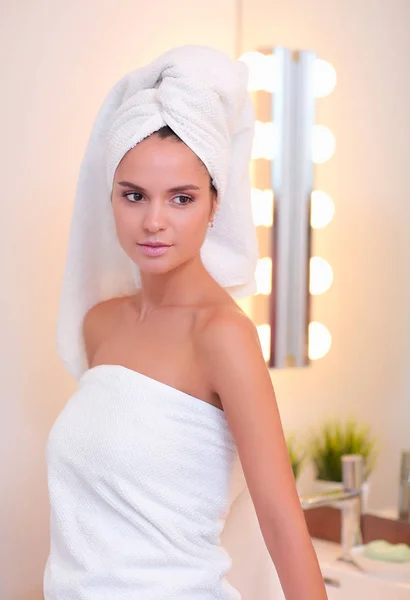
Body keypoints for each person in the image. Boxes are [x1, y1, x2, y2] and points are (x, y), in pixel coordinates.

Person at [44, 45, 328, 599]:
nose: (154, 222)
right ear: (111, 199)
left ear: (214, 205)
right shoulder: (98, 326)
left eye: (181, 198)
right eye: (134, 196)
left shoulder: (222, 336)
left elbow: (280, 519)